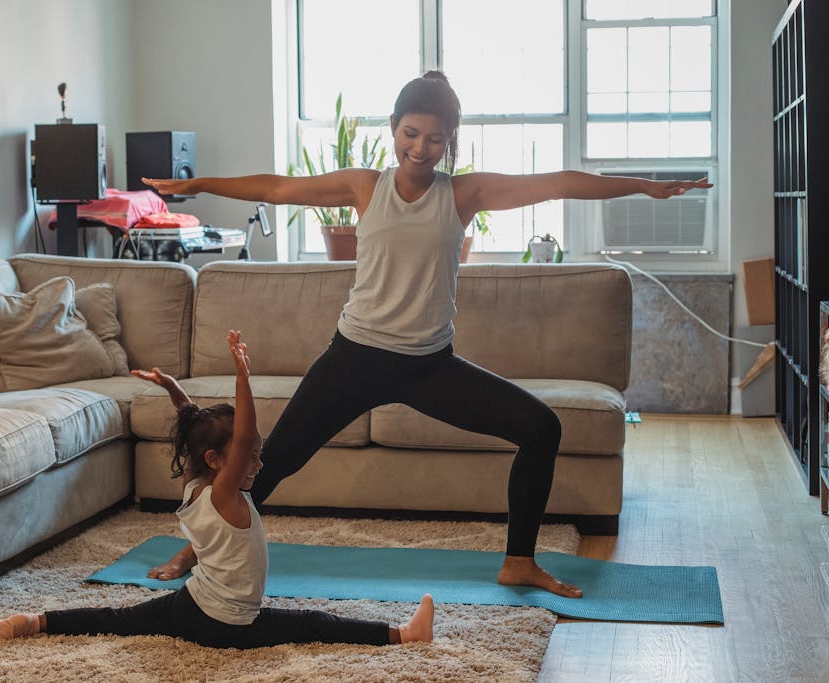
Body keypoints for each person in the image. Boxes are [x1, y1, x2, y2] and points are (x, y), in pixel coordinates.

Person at [142, 71, 713, 599]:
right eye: (411, 134)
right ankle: (198, 548)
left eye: (435, 139)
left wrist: (642, 185)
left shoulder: (464, 195)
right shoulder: (364, 186)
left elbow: (557, 183)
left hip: (429, 365)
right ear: (393, 129)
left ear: (451, 142)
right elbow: (277, 188)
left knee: (541, 427)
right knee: (273, 459)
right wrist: (197, 184)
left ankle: (519, 560)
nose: (420, 148)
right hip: (355, 356)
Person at [0, 330, 434, 648]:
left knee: (118, 618)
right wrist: (242, 376)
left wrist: (173, 387)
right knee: (314, 623)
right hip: (230, 624)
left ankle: (32, 622)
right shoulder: (225, 496)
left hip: (193, 606)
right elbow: (241, 434)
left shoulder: (195, 485)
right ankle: (402, 635)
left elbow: (191, 420)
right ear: (221, 461)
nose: (257, 462)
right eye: (248, 455)